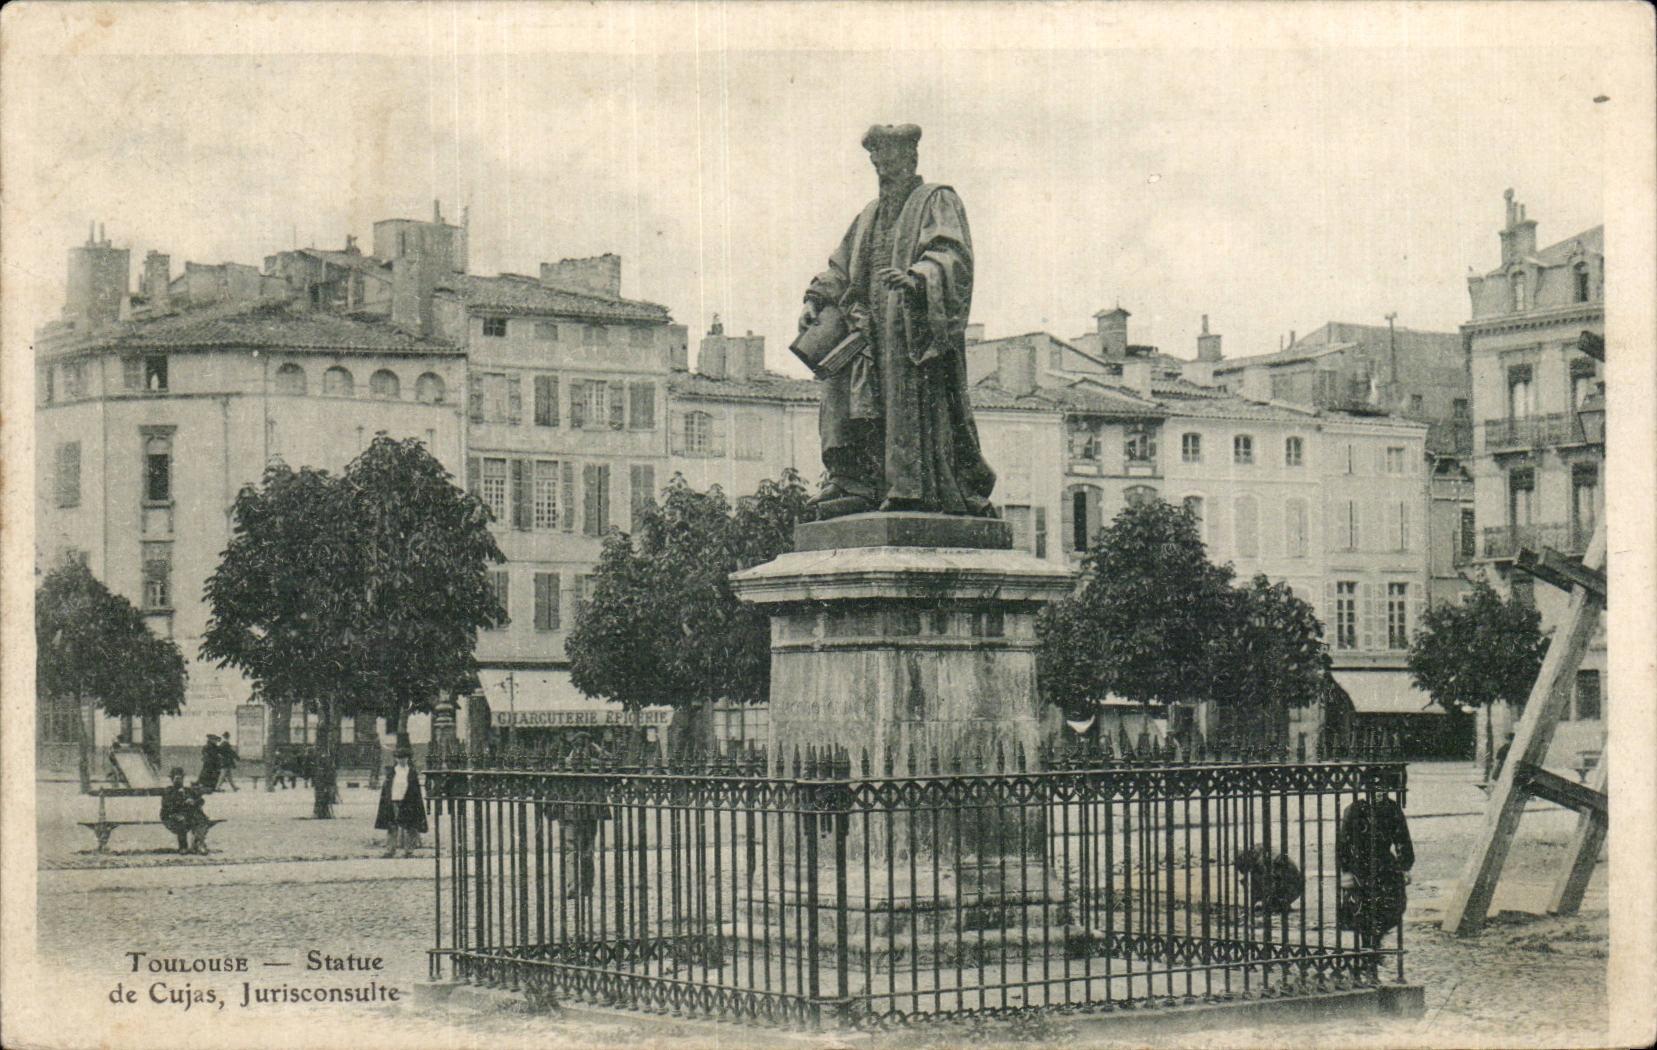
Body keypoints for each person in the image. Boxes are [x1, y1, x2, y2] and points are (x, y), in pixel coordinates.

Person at [796, 123, 996, 518]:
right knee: (844, 396)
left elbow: (952, 255)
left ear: (909, 156)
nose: (878, 165)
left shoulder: (936, 200)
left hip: (909, 328)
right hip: (866, 329)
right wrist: (815, 299)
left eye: (884, 156)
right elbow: (841, 265)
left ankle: (911, 487)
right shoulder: (869, 213)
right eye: (873, 158)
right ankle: (854, 482)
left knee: (905, 401)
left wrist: (919, 278)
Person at [1337, 793, 1415, 951]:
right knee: (1362, 907)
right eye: (1374, 789)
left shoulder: (1392, 808)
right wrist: (1345, 870)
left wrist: (1405, 866)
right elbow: (1343, 843)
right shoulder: (1354, 809)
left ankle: (1376, 940)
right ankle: (1367, 944)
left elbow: (1403, 839)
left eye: (1382, 789)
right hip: (1361, 866)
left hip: (1385, 865)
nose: (1378, 793)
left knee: (1390, 906)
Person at [375, 740, 426, 857]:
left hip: (407, 801)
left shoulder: (411, 772)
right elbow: (387, 788)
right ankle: (390, 850)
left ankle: (409, 851)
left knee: (408, 826)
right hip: (393, 801)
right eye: (399, 758)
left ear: (407, 759)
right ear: (396, 759)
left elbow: (415, 790)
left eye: (404, 758)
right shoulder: (392, 772)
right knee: (392, 826)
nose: (401, 760)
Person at [160, 767, 211, 854]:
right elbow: (167, 807)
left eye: (180, 778)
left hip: (187, 816)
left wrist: (193, 801)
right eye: (176, 779)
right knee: (181, 819)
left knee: (201, 819)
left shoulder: (188, 790)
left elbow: (201, 800)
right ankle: (183, 846)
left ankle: (199, 843)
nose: (178, 781)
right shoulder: (169, 791)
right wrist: (183, 802)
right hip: (171, 817)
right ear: (172, 779)